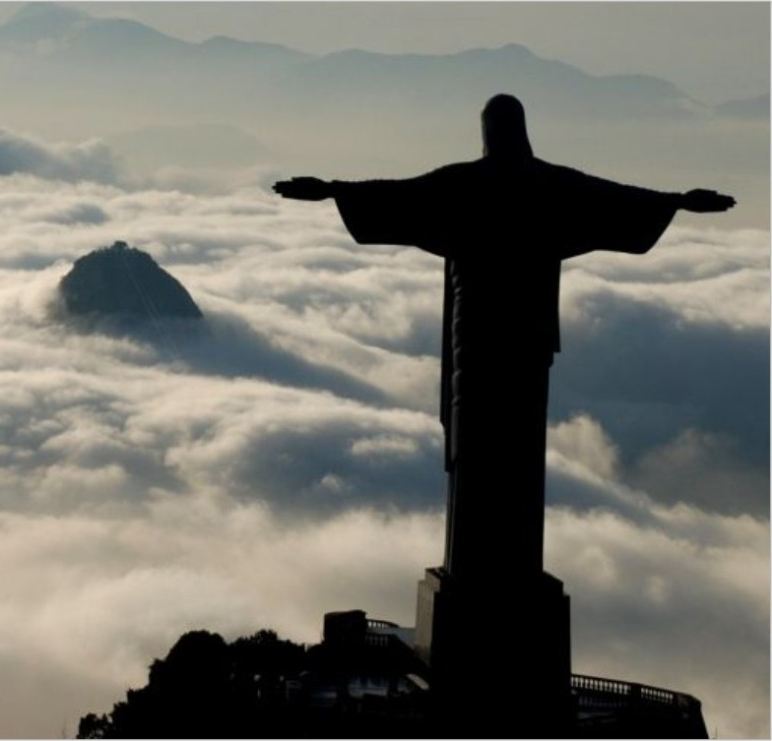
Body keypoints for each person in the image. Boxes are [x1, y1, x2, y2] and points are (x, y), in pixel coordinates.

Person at [274, 94, 734, 580]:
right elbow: (616, 198)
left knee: (479, 448)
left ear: (487, 131)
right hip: (526, 340)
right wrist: (679, 201)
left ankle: (476, 569)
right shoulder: (553, 186)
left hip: (477, 336)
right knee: (518, 450)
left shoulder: (464, 184)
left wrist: (330, 190)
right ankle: (511, 570)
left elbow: (399, 195)